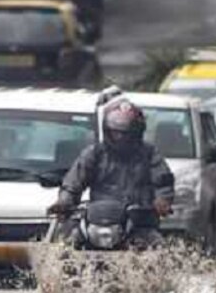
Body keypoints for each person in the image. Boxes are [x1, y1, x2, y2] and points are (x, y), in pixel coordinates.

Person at [49, 99, 175, 246]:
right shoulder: (94, 153)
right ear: (106, 130)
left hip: (139, 221)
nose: (120, 138)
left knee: (158, 247)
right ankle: (57, 268)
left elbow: (163, 182)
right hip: (97, 221)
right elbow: (73, 182)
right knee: (65, 241)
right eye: (115, 133)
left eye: (125, 134)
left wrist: (162, 201)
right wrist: (64, 202)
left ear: (137, 133)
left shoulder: (149, 153)